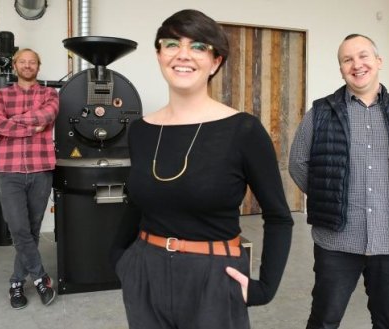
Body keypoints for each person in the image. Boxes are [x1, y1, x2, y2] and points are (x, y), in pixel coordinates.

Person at [110, 9, 294, 329]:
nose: (183, 55)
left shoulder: (243, 130)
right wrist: (120, 258)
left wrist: (265, 287)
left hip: (214, 275)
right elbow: (137, 202)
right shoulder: (140, 130)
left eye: (198, 47)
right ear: (159, 54)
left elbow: (279, 216)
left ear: (216, 61)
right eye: (172, 44)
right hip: (145, 270)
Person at [288, 34, 389, 329]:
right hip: (336, 241)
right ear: (340, 68)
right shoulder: (321, 112)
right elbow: (298, 162)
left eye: (363, 56)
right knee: (324, 319)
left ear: (378, 61)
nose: (356, 64)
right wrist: (327, 195)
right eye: (347, 59)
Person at [0, 48, 59, 310]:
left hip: (41, 170)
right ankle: (41, 278)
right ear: (15, 65)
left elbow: (47, 115)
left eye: (32, 62)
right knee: (18, 229)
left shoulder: (50, 94)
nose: (27, 66)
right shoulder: (1, 94)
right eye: (23, 62)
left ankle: (17, 282)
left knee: (31, 229)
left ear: (38, 66)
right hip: (10, 172)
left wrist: (14, 122)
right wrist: (31, 126)